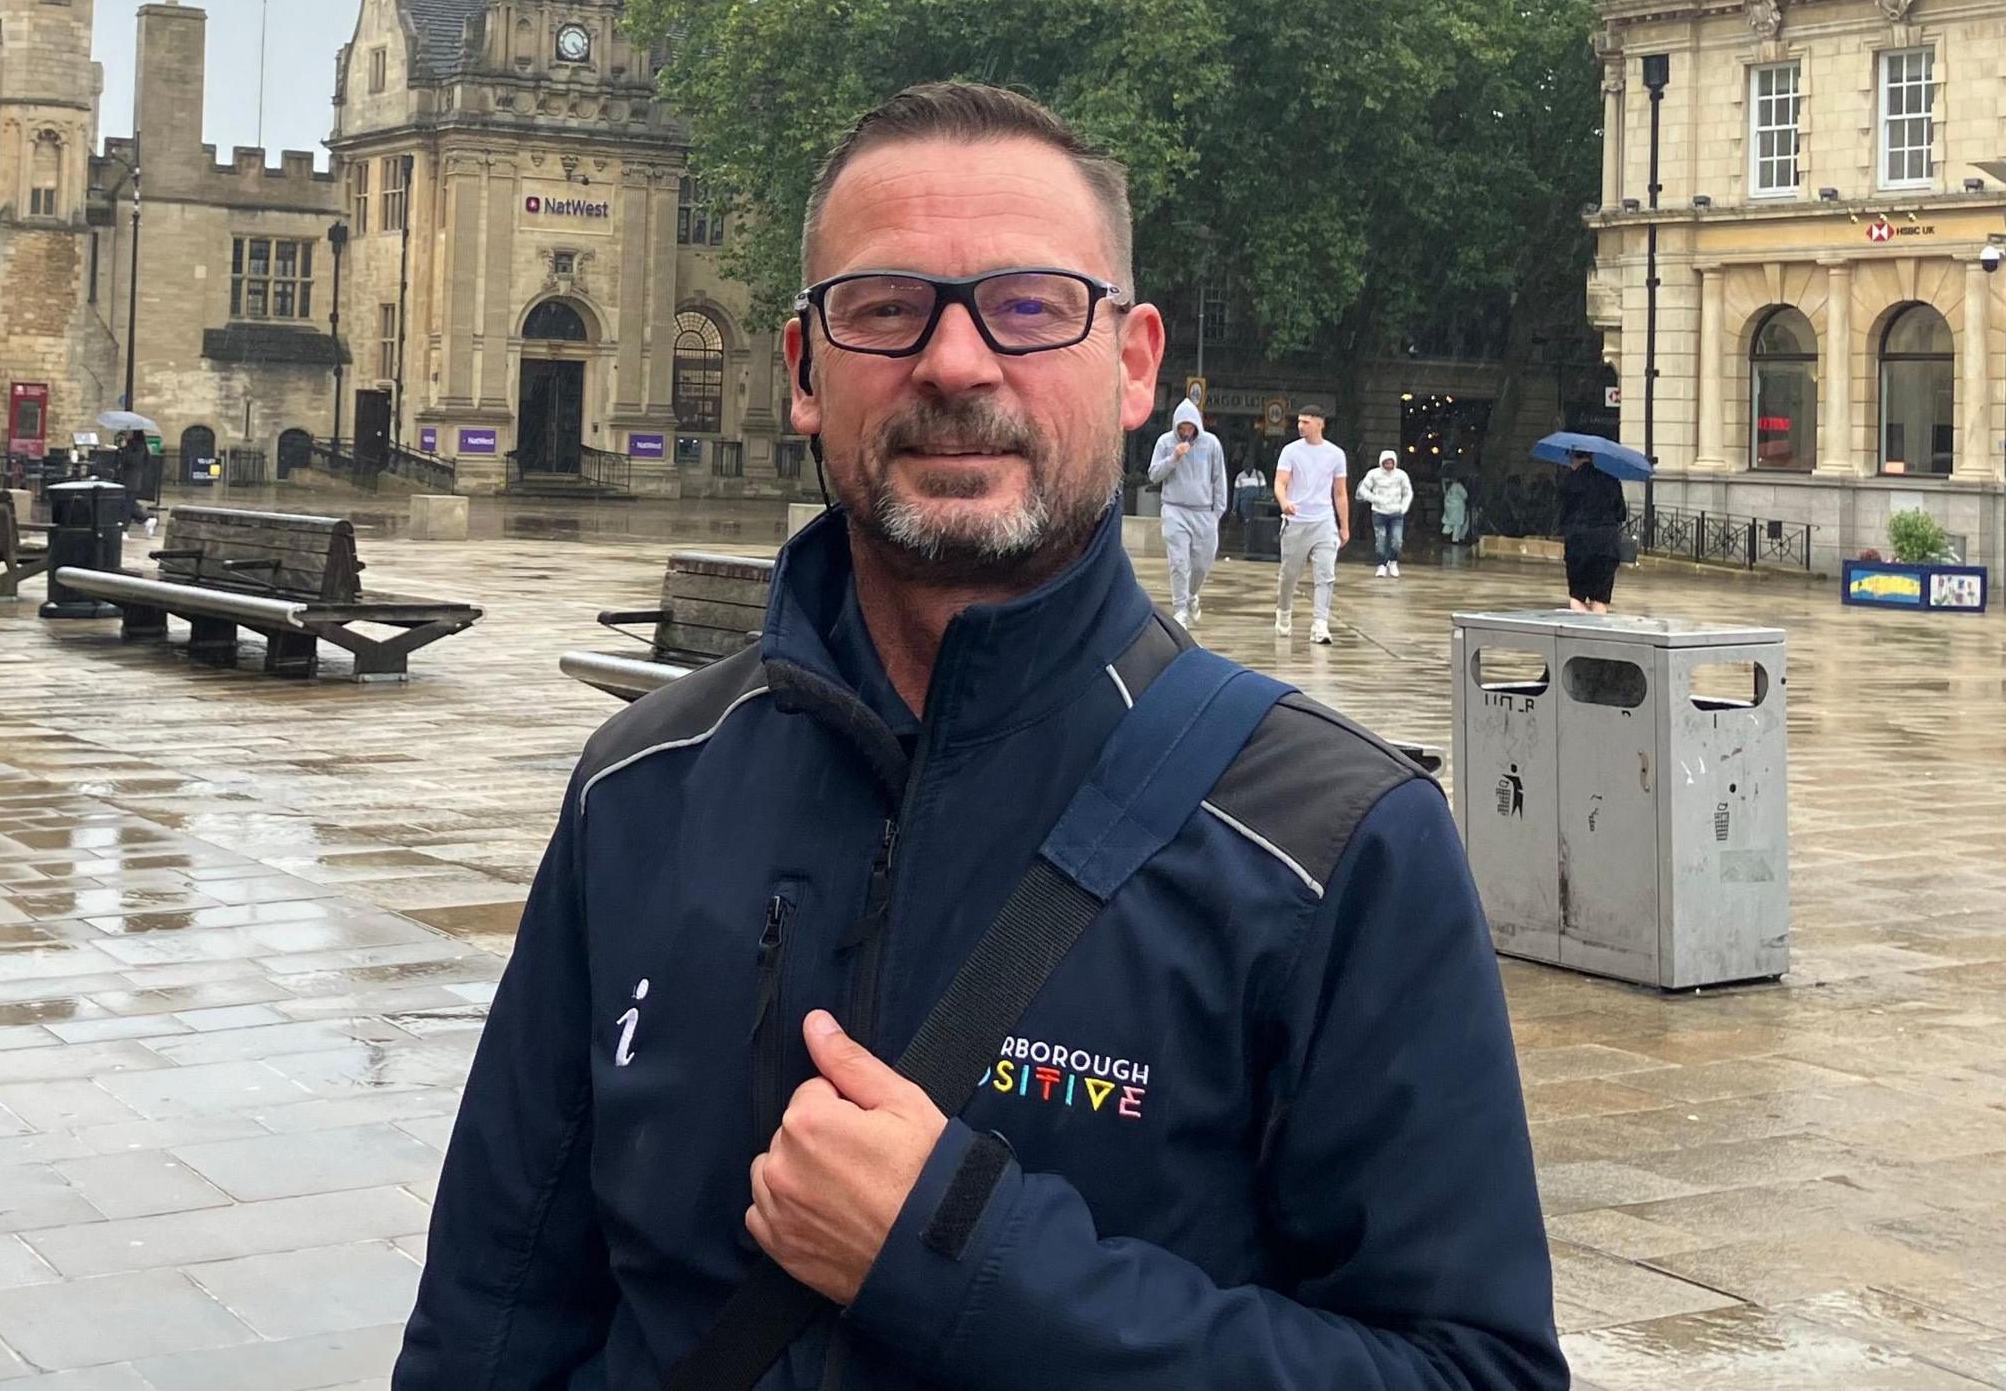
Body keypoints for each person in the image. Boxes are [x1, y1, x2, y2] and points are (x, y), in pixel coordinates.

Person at [394, 82, 1561, 1391]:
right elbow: (489, 1325)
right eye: (887, 308)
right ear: (802, 373)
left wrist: (968, 1252)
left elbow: (1478, 1370)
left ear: (1131, 365)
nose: (956, 362)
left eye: (1030, 305)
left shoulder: (1332, 845)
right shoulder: (641, 790)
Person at [1142, 396, 1227, 625]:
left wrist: (1217, 512)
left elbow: (1219, 479)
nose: (1187, 431)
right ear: (1176, 426)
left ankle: (1191, 595)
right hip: (1174, 509)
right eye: (1183, 427)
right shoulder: (1165, 443)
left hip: (1203, 511)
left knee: (1201, 564)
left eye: (1190, 427)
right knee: (1179, 562)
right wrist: (1174, 458)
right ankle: (1180, 608)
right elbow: (1154, 474)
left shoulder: (1211, 444)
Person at [1272, 405, 1349, 643]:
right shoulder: (1291, 451)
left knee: (1326, 574)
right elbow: (1280, 482)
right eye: (1299, 421)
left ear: (1320, 423)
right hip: (1296, 521)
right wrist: (1284, 502)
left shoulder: (1336, 454)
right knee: (1289, 575)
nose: (1300, 425)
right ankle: (1284, 613)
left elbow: (1340, 492)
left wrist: (1344, 525)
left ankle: (1320, 623)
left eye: (1306, 422)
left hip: (1324, 521)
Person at [1561, 448, 1627, 612]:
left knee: (1577, 597)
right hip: (1606, 545)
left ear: (1573, 458)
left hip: (1578, 544)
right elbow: (1621, 513)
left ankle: (1582, 632)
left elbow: (1562, 511)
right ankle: (1598, 632)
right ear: (1592, 457)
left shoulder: (1569, 481)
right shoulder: (1611, 480)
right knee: (1599, 599)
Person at [1359, 449, 1415, 579]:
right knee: (1381, 540)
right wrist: (1375, 499)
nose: (1389, 466)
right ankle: (1381, 565)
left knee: (1397, 540)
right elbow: (1362, 490)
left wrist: (1404, 507)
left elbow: (1408, 492)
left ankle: (1393, 562)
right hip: (1379, 512)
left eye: (1391, 463)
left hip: (1396, 513)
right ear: (1381, 462)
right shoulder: (1373, 474)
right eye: (1386, 463)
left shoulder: (1401, 475)